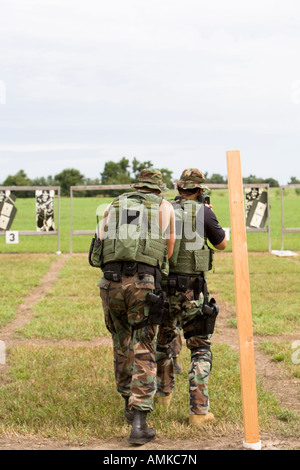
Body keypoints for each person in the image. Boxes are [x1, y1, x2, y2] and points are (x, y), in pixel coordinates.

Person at [97, 168, 175, 445]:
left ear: (136, 186)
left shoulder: (113, 204)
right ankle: (139, 421)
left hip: (110, 282)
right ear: (157, 188)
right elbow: (169, 248)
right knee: (143, 344)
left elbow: (101, 241)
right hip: (142, 282)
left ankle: (126, 406)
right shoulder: (164, 206)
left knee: (121, 343)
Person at [155, 168, 226, 427]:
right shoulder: (204, 212)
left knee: (163, 344)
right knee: (200, 347)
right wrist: (206, 213)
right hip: (191, 290)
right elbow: (221, 244)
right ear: (199, 190)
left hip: (163, 288)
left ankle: (163, 398)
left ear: (180, 189)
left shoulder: (164, 210)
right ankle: (198, 412)